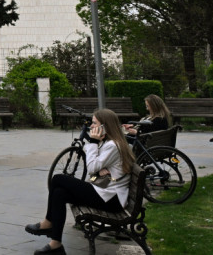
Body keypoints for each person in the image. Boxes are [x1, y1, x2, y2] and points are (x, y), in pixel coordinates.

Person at [25, 108, 135, 255]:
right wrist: (98, 168)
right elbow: (96, 168)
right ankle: (56, 244)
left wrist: (93, 142)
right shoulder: (111, 142)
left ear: (105, 126)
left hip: (111, 199)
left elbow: (91, 167)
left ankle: (48, 222)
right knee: (59, 193)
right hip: (106, 192)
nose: (91, 126)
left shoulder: (113, 145)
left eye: (94, 123)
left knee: (58, 179)